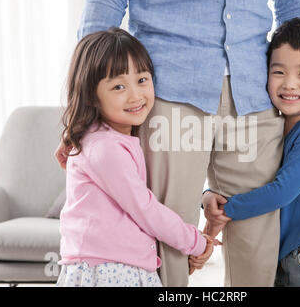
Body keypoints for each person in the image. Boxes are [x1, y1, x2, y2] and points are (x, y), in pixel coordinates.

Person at [56, 0, 300, 287]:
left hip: (254, 87)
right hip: (169, 83)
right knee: (168, 229)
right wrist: (83, 100)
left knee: (257, 236)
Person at [55, 27, 213, 287]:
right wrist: (195, 241)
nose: (135, 95)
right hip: (109, 270)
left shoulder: (106, 140)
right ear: (92, 96)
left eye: (142, 80)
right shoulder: (105, 149)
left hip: (114, 266)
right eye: (118, 86)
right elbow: (146, 208)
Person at [204, 18, 300, 287]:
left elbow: (282, 190)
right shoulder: (274, 123)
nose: (289, 84)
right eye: (278, 72)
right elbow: (251, 176)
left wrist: (229, 209)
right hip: (286, 249)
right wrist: (207, 194)